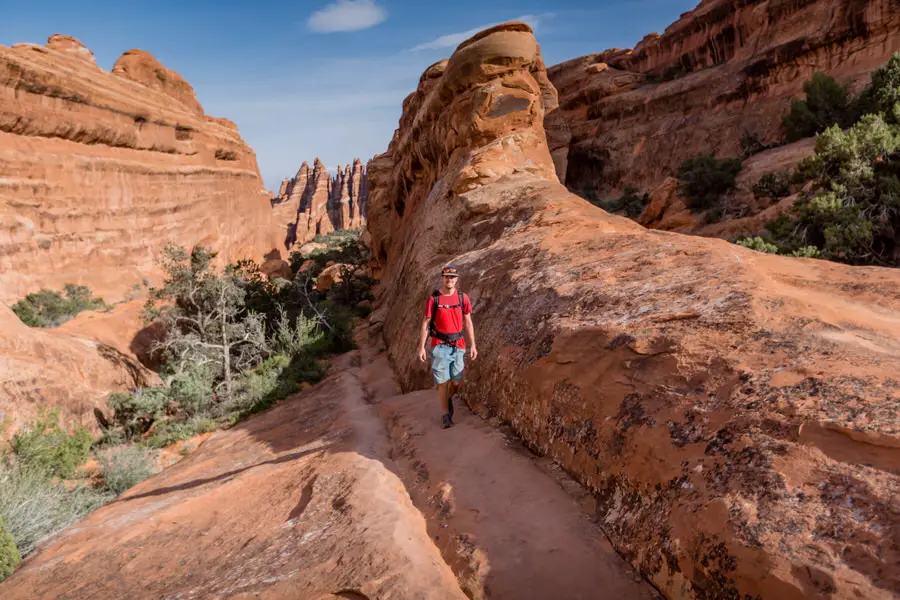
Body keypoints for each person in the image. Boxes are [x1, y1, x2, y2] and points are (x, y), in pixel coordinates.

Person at [417, 266, 477, 429]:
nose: (449, 280)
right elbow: (425, 323)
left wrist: (473, 345)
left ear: (456, 279)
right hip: (439, 346)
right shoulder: (434, 299)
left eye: (452, 277)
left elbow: (468, 322)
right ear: (442, 279)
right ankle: (446, 415)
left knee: (456, 382)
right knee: (443, 383)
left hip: (458, 345)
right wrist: (421, 347)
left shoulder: (462, 298)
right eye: (446, 277)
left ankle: (447, 399)